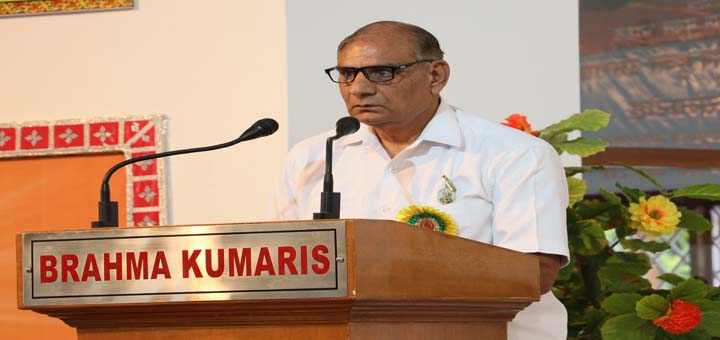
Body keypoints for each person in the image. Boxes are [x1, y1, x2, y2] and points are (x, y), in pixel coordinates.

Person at [273, 21, 569, 340]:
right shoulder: (313, 157)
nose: (358, 88)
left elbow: (534, 272)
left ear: (436, 75)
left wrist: (394, 273)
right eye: (347, 74)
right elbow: (282, 267)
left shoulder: (515, 154)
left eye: (382, 72)